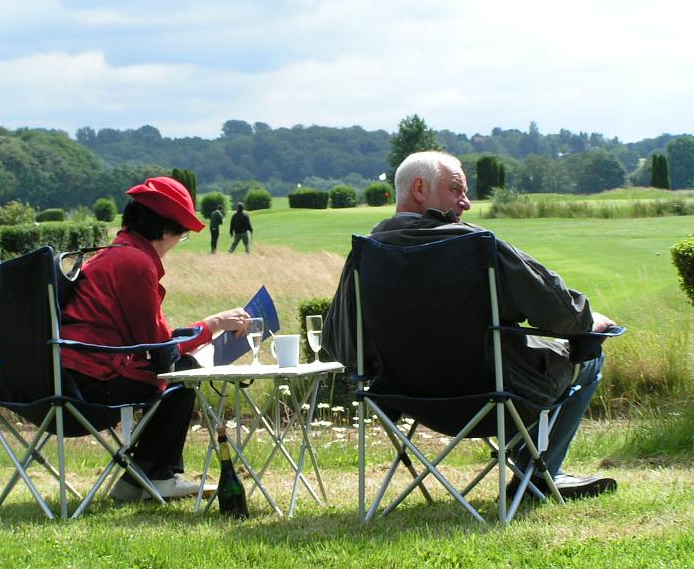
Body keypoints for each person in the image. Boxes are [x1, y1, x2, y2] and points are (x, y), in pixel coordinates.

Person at [323, 150, 618, 500]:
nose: (466, 203)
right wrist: (587, 320)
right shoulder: (474, 245)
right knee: (587, 355)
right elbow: (557, 309)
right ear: (420, 189)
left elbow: (339, 344)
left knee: (533, 358)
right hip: (496, 396)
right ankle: (538, 475)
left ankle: (532, 470)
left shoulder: (365, 255)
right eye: (456, 190)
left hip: (411, 401)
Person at [60, 176, 252, 502]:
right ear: (165, 230)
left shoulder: (116, 254)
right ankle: (159, 476)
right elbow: (159, 351)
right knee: (184, 371)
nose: (178, 242)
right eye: (182, 234)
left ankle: (137, 480)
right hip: (90, 387)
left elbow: (152, 340)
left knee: (179, 368)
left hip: (68, 379)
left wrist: (198, 332)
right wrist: (213, 324)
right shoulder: (135, 262)